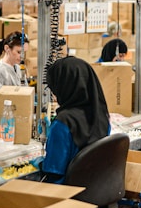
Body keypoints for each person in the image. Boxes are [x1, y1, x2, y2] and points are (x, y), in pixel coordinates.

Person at [42, 56, 110, 184]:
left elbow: (54, 171)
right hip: (97, 191)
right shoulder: (101, 116)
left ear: (65, 87)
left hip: (68, 196)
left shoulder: (63, 123)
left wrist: (42, 163)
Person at [0, 31, 29, 113]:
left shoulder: (18, 69)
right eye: (19, 52)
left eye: (24, 53)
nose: (22, 56)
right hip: (2, 118)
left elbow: (25, 92)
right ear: (7, 48)